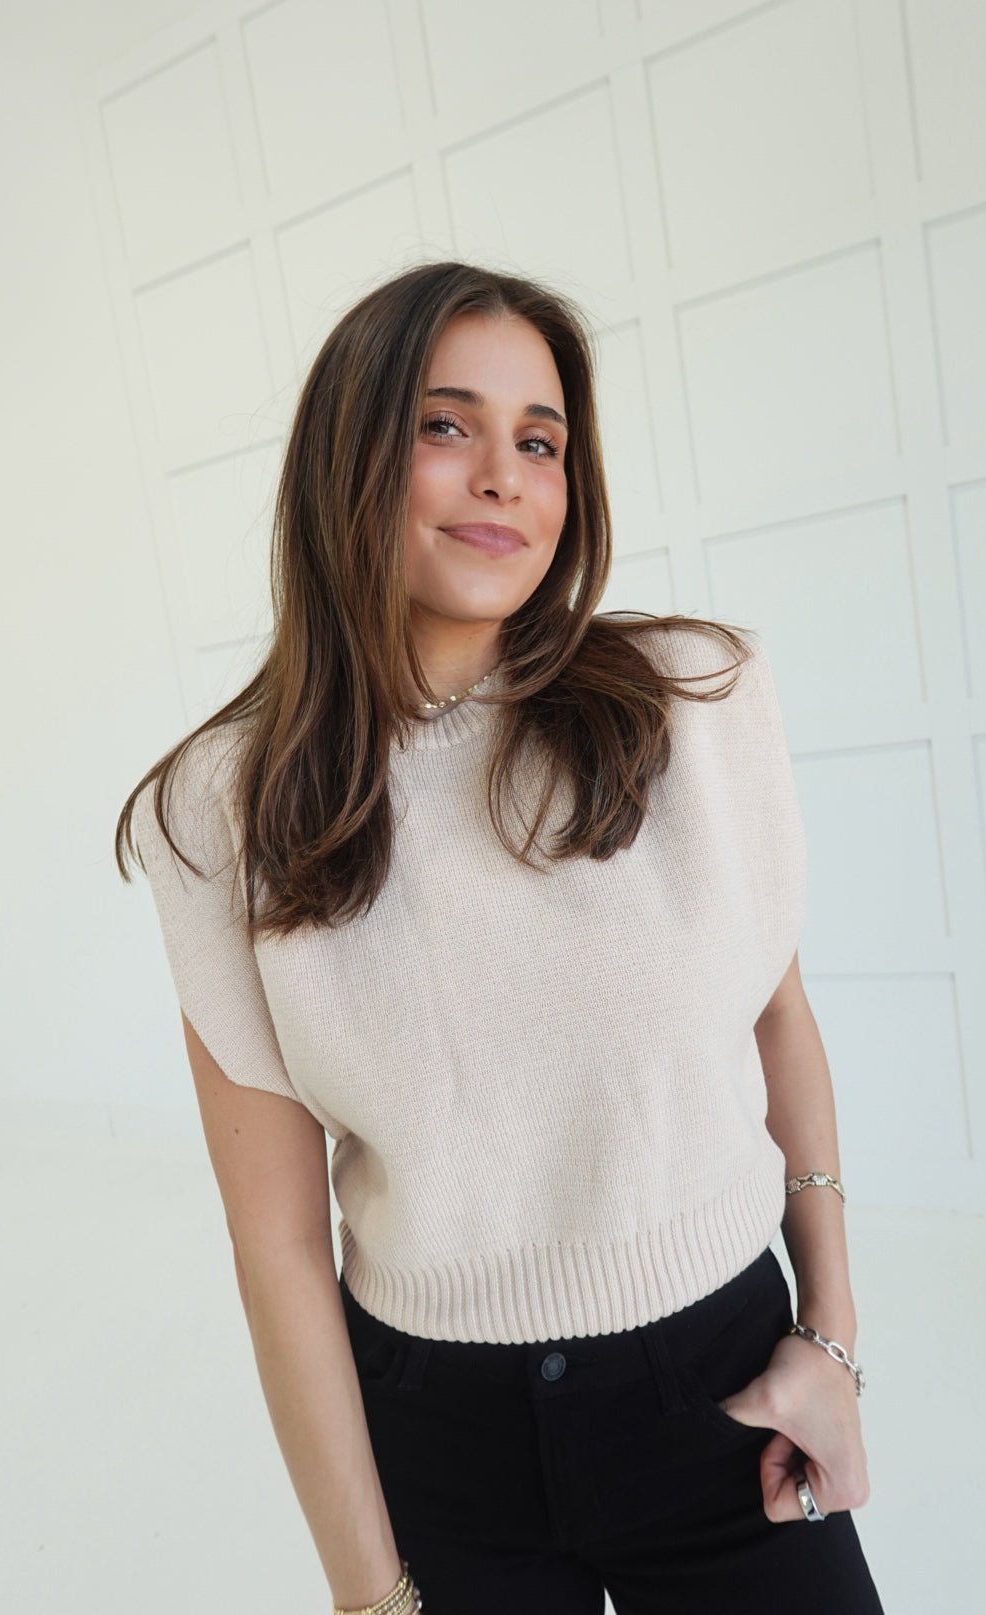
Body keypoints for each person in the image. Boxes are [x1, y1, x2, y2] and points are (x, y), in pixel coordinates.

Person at [116, 260, 885, 1615]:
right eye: (444, 425)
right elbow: (279, 1246)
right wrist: (370, 1595)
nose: (503, 478)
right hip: (439, 1438)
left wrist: (831, 1334)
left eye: (541, 442)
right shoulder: (225, 810)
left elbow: (780, 1016)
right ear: (347, 460)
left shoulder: (690, 704)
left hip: (725, 1395)